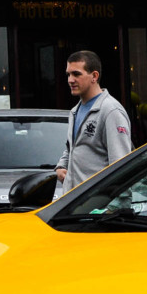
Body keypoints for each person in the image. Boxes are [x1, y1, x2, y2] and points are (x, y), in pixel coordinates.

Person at [54, 50, 133, 198]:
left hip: (98, 206)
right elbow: (72, 148)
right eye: (68, 74)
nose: (70, 80)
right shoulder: (74, 111)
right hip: (72, 203)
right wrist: (61, 166)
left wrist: (116, 205)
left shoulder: (111, 111)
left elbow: (121, 163)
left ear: (94, 76)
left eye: (76, 74)